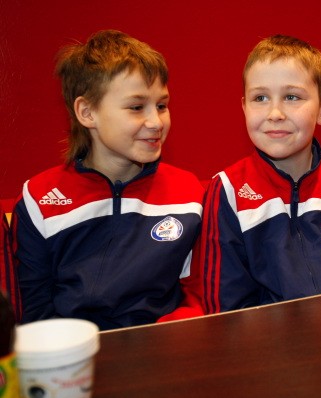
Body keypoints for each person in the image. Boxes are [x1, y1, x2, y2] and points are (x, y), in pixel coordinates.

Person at [11, 30, 204, 330]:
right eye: (136, 107)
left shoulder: (189, 193)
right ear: (87, 112)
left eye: (162, 105)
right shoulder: (40, 199)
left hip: (165, 347)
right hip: (76, 351)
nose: (156, 122)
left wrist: (167, 340)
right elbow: (35, 312)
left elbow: (199, 295)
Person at [199, 34, 321, 313]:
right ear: (244, 107)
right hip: (261, 340)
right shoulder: (228, 191)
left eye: (291, 97)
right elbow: (226, 308)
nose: (275, 113)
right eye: (260, 98)